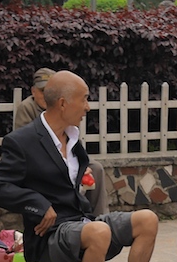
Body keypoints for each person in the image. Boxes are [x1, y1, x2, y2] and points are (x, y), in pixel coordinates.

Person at [0, 70, 160, 262]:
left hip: (81, 222)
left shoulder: (72, 137)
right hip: (49, 236)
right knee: (98, 231)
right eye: (84, 99)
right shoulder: (23, 141)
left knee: (148, 220)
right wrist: (39, 203)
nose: (88, 107)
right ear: (63, 103)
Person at [12, 67, 109, 216]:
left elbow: (72, 141)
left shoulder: (67, 111)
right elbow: (27, 146)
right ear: (33, 91)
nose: (46, 96)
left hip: (63, 156)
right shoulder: (27, 108)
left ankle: (99, 216)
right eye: (42, 91)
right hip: (43, 160)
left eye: (49, 90)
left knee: (95, 168)